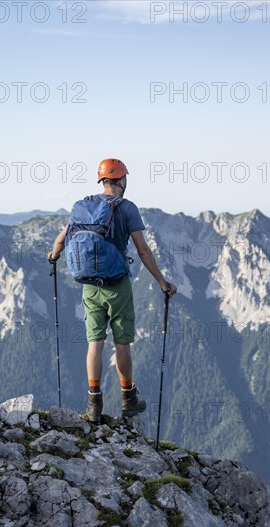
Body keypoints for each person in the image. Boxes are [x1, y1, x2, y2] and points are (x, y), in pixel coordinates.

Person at [48, 158, 177, 423]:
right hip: (117, 286)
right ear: (121, 180)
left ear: (102, 181)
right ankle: (128, 399)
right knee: (122, 344)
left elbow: (61, 239)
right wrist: (162, 282)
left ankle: (93, 405)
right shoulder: (127, 208)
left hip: (89, 288)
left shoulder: (83, 206)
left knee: (94, 344)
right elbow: (142, 249)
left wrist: (53, 257)